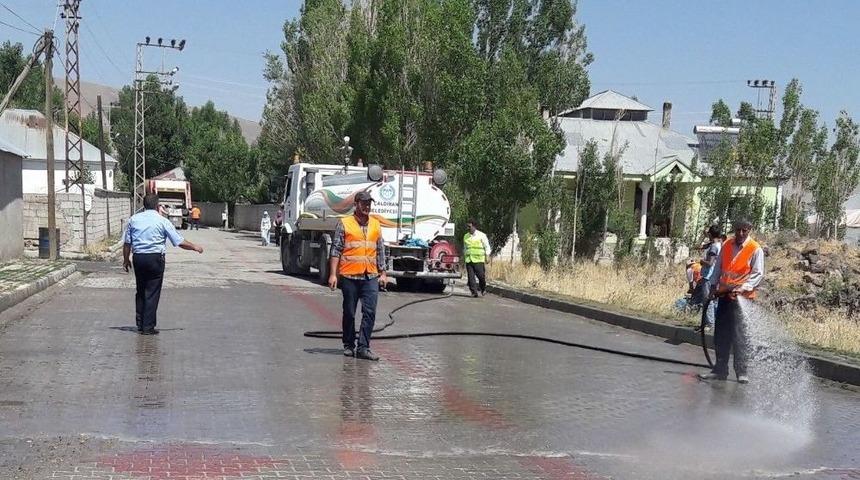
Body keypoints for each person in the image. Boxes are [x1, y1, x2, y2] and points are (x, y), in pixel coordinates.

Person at [123, 193, 204, 335]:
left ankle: (140, 323)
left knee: (141, 290)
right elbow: (178, 241)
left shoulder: (133, 220)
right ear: (157, 205)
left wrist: (125, 259)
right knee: (152, 292)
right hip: (155, 259)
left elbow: (127, 243)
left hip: (139, 258)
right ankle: (148, 327)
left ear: (144, 205)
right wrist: (195, 247)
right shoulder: (162, 221)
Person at [699, 218, 763, 384]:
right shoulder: (727, 245)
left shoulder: (755, 249)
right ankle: (720, 370)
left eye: (744, 230)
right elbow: (718, 267)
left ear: (749, 230)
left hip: (742, 298)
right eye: (738, 230)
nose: (740, 233)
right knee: (721, 335)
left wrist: (743, 287)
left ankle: (741, 372)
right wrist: (713, 286)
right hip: (724, 296)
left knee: (739, 336)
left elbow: (757, 274)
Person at [327, 191, 387, 361]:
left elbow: (380, 250)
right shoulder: (345, 223)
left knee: (370, 312)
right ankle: (348, 345)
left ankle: (363, 347)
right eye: (364, 203)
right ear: (356, 204)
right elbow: (336, 250)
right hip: (350, 275)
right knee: (350, 312)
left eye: (369, 203)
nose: (367, 206)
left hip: (370, 276)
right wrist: (333, 274)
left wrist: (383, 273)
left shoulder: (375, 224)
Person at [694, 225, 723, 331]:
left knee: (707, 300)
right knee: (713, 300)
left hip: (709, 276)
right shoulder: (718, 244)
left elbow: (710, 263)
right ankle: (711, 322)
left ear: (710, 234)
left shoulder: (714, 247)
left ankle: (710, 323)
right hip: (715, 275)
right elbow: (698, 246)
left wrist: (701, 261)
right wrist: (704, 236)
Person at [463, 219, 491, 298]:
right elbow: (465, 248)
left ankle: (483, 288)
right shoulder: (466, 236)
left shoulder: (481, 235)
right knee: (471, 277)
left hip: (478, 260)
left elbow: (487, 246)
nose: (468, 228)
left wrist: (487, 255)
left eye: (469, 226)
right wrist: (465, 256)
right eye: (467, 226)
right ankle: (474, 292)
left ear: (474, 226)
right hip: (469, 260)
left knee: (481, 276)